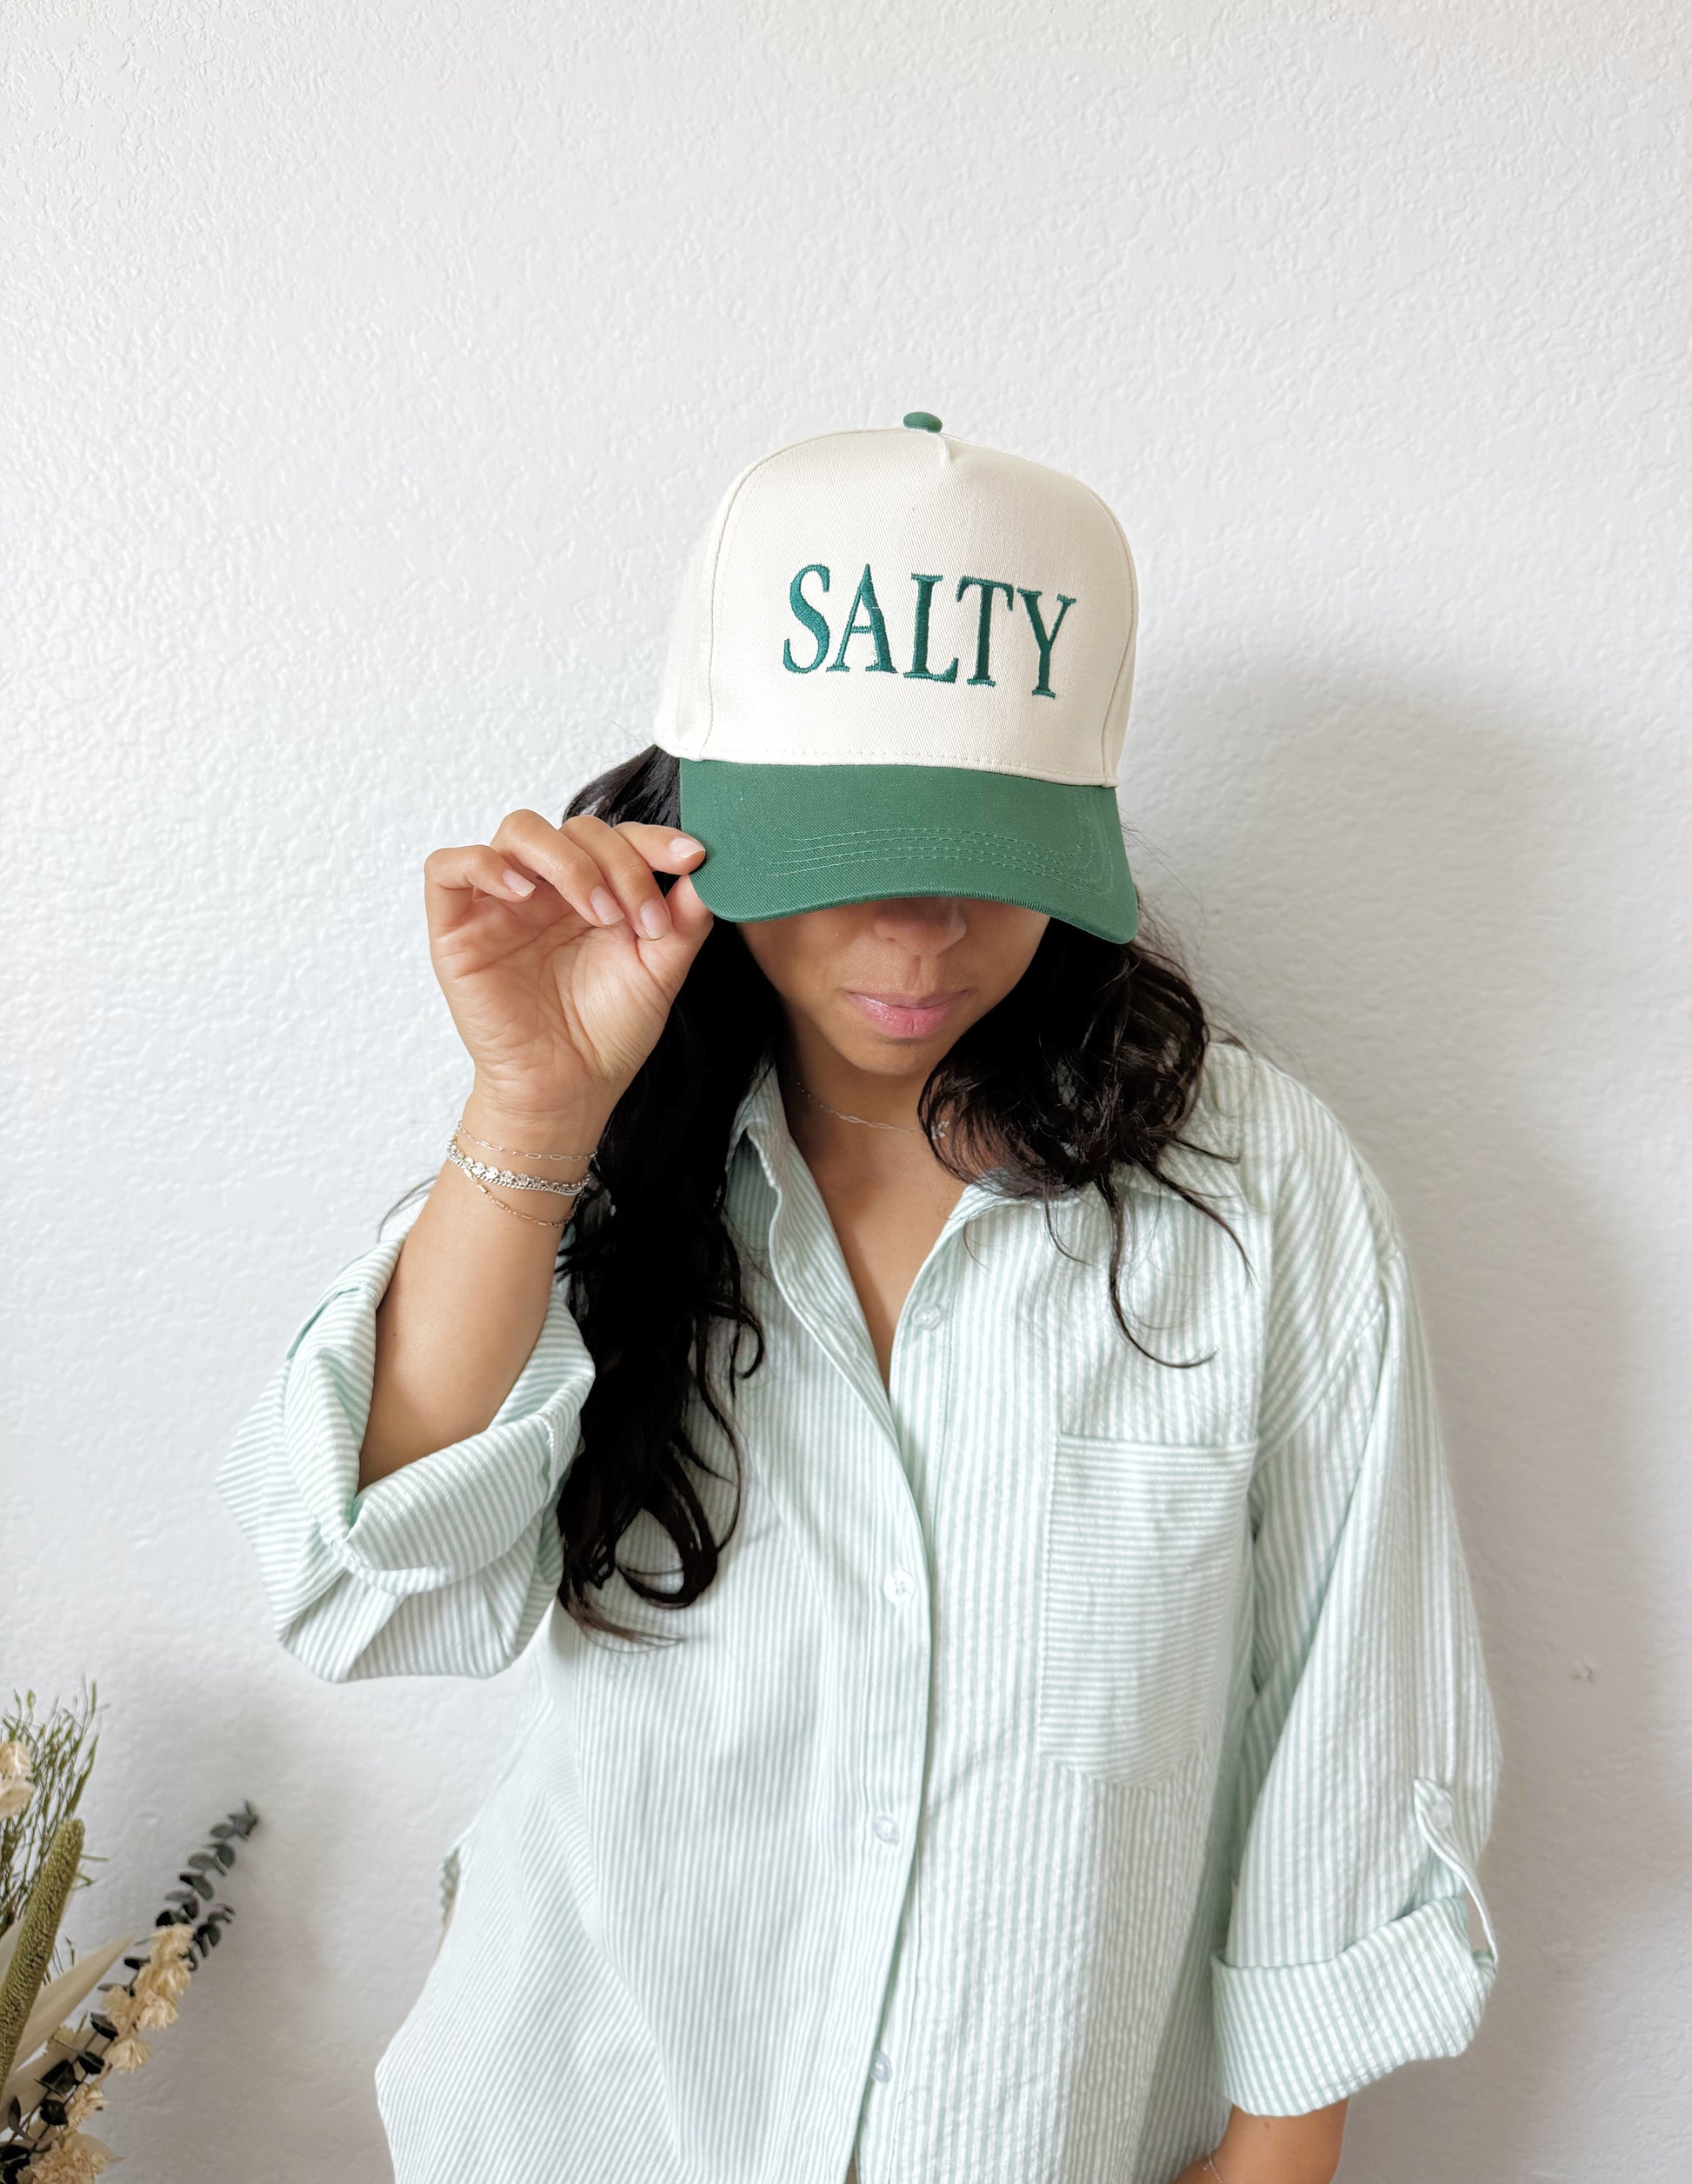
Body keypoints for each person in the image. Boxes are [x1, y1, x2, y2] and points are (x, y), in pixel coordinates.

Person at [218, 416, 1502, 2184]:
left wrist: (1271, 2165)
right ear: (698, 822)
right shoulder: (605, 1144)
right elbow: (366, 1588)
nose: (918, 928)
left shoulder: (1257, 1192)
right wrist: (530, 1107)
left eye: (991, 846)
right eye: (840, 846)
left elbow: (1350, 1716)